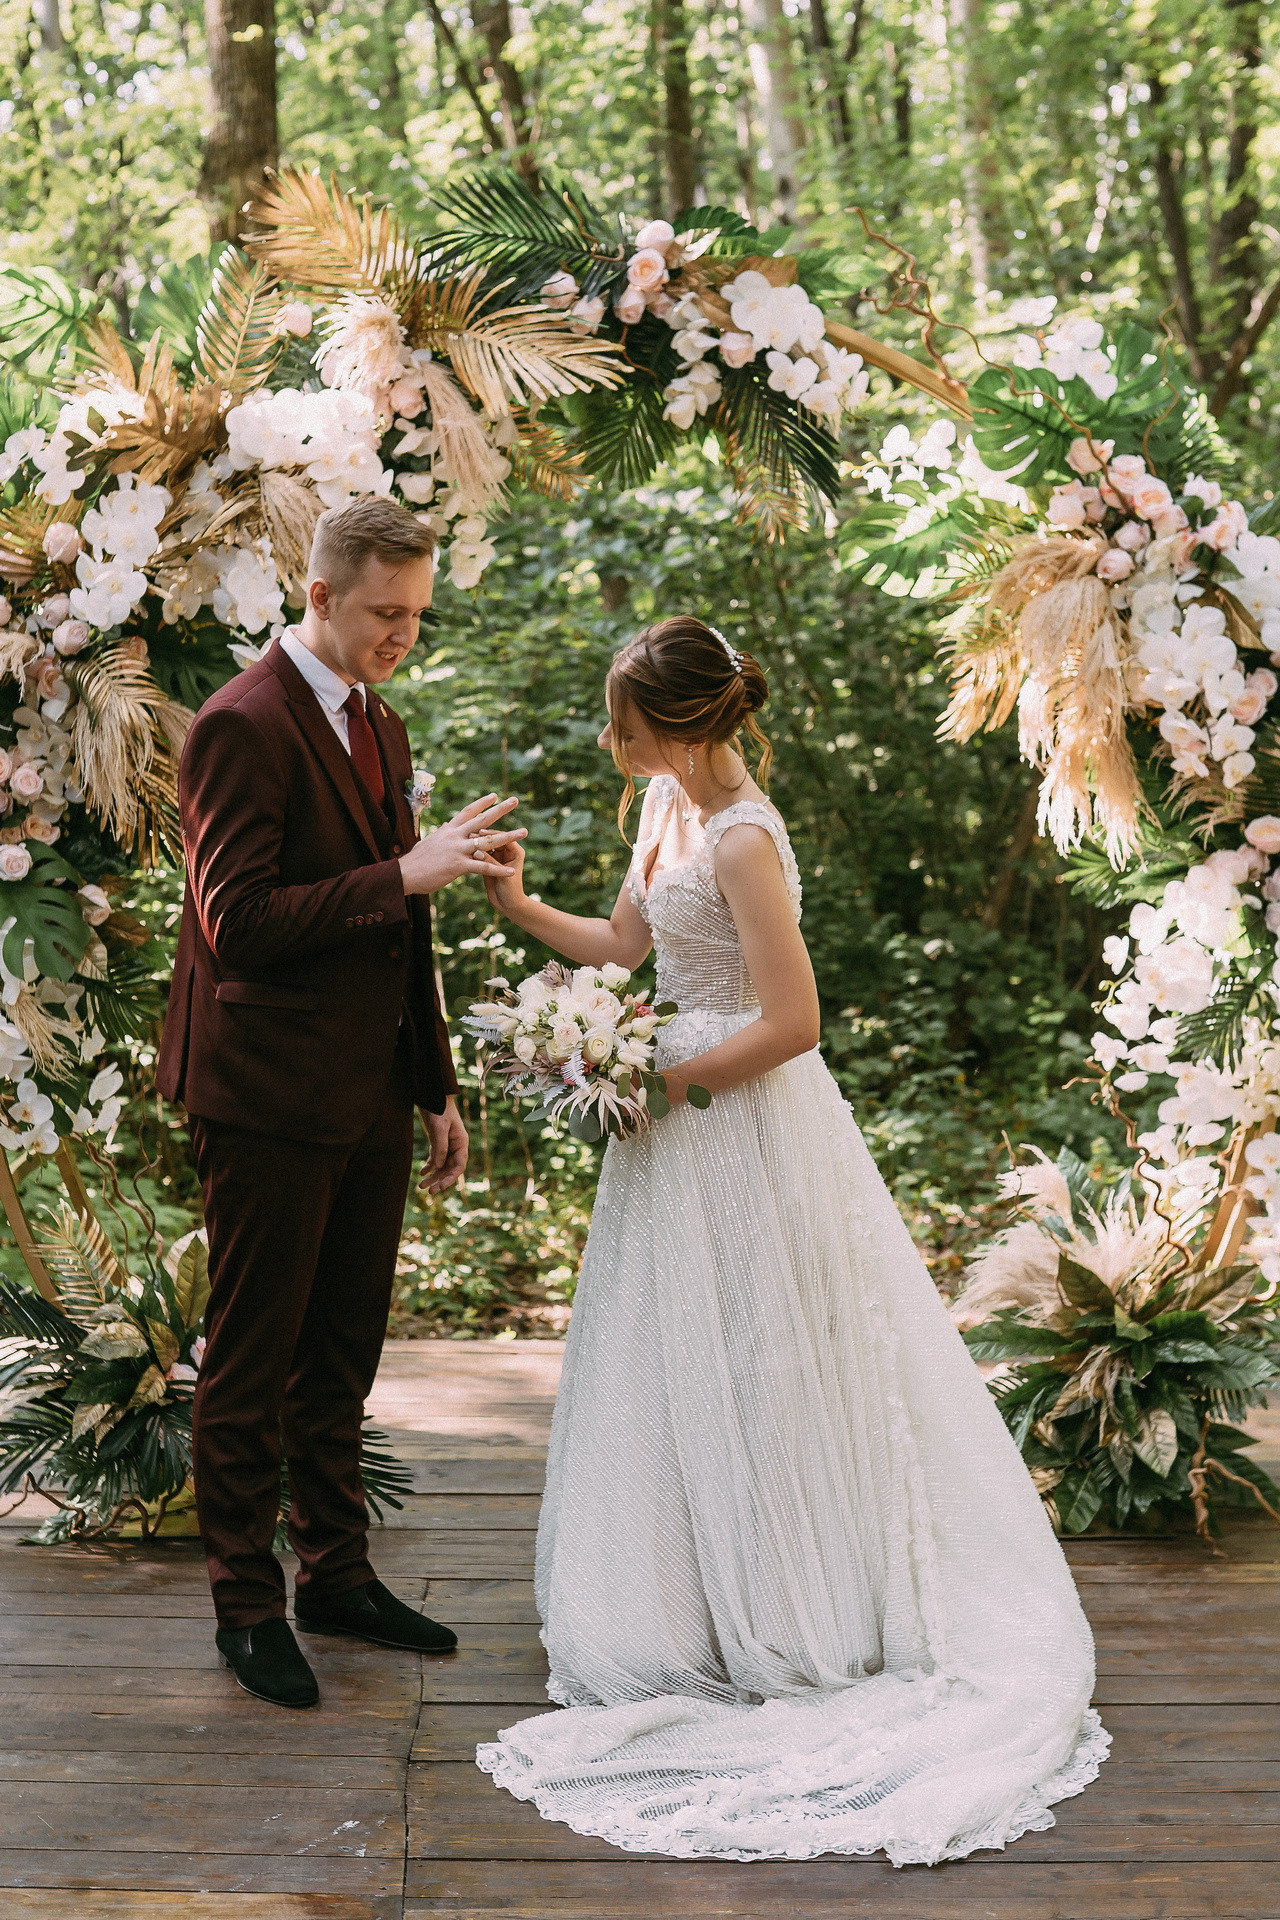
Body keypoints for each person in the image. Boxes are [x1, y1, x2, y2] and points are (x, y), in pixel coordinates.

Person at [472, 615, 1109, 1863]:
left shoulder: (742, 838)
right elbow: (619, 949)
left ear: (683, 725)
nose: (611, 740)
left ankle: (786, 1606)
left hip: (739, 1120)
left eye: (626, 722)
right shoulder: (663, 813)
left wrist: (669, 1081)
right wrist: (517, 904)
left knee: (762, 1355)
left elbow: (795, 1019)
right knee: (666, 1355)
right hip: (669, 1123)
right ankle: (683, 1602)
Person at [157, 497, 526, 1709]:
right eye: (384, 613)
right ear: (319, 596)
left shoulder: (384, 724)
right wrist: (398, 872)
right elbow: (239, 926)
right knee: (251, 1361)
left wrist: (434, 1087)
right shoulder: (238, 726)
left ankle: (336, 1573)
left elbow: (400, 928)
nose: (401, 635)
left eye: (417, 615)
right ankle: (246, 1609)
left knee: (344, 1354)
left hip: (368, 1087)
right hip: (262, 1091)